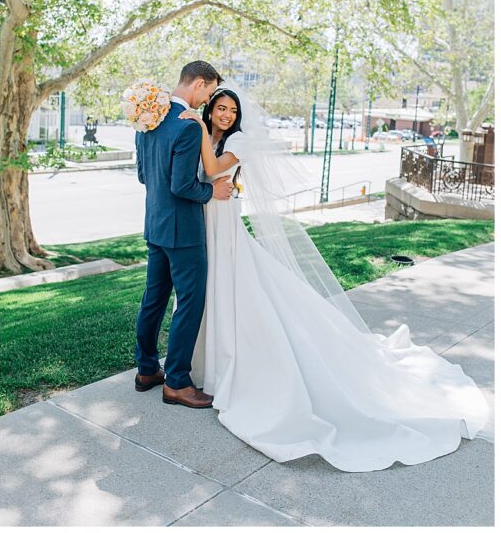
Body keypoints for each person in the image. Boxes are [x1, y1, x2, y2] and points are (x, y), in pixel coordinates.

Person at [173, 85, 490, 471]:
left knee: (236, 291)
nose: (225, 114)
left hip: (225, 223)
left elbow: (213, 170)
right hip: (204, 220)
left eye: (230, 110)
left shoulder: (238, 139)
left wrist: (203, 132)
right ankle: (201, 362)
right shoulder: (207, 134)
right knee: (206, 292)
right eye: (219, 108)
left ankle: (233, 365)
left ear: (238, 116)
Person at [133, 61, 232, 409]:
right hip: (184, 230)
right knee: (189, 304)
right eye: (208, 92)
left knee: (154, 299)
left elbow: (145, 176)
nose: (207, 100)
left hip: (155, 225)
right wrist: (211, 193)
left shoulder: (147, 120)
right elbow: (182, 185)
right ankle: (176, 381)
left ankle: (146, 369)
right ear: (198, 83)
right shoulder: (188, 127)